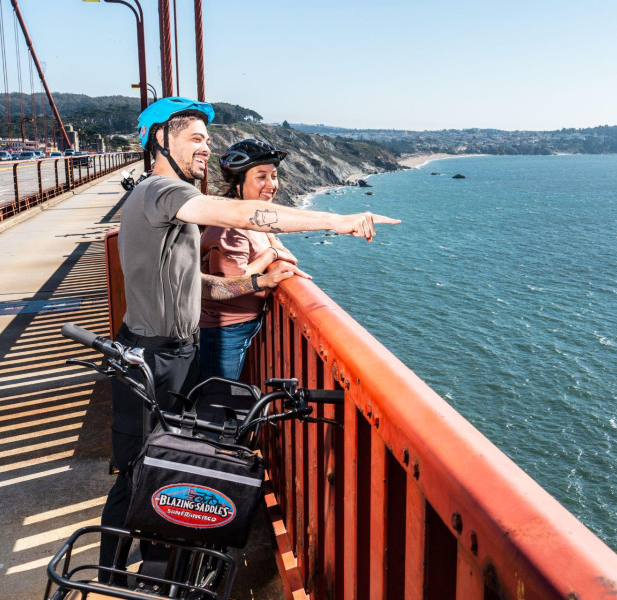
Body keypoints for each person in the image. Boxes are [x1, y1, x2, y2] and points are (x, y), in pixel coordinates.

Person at [100, 96, 399, 575]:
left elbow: (206, 286)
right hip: (150, 358)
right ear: (159, 139)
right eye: (195, 138)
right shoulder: (162, 191)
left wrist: (259, 281)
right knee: (137, 468)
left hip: (176, 353)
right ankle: (112, 574)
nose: (205, 148)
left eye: (207, 139)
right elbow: (245, 216)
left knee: (160, 464)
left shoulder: (165, 208)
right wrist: (336, 221)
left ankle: (157, 564)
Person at [198, 138, 306, 381]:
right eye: (261, 176)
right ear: (238, 182)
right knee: (217, 400)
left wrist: (275, 247)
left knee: (225, 395)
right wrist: (271, 257)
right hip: (225, 330)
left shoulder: (250, 216)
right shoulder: (229, 226)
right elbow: (231, 283)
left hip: (240, 325)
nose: (271, 184)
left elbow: (270, 239)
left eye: (274, 176)